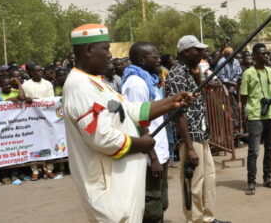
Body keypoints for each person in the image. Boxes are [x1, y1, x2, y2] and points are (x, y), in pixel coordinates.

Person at [63, 24, 194, 223]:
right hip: (109, 187)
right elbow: (101, 138)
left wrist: (172, 101)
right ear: (89, 50)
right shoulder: (79, 87)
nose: (110, 55)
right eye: (105, 48)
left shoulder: (97, 83)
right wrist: (142, 144)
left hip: (122, 184)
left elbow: (130, 111)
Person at [165, 35, 230, 223]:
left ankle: (207, 217)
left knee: (208, 177)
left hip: (201, 133)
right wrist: (190, 147)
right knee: (194, 182)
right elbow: (179, 113)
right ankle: (195, 219)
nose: (202, 53)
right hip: (190, 137)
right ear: (186, 52)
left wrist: (196, 74)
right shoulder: (176, 74)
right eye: (198, 50)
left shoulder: (190, 71)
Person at [121, 42, 170, 223]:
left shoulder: (149, 80)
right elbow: (140, 123)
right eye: (154, 56)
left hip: (160, 151)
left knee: (161, 203)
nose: (159, 60)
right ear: (142, 59)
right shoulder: (136, 84)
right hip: (149, 156)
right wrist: (154, 158)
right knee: (151, 208)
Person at [241, 43, 271, 196]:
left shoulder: (270, 71)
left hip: (270, 115)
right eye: (262, 54)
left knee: (270, 149)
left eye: (266, 53)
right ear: (254, 56)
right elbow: (243, 96)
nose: (266, 56)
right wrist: (248, 113)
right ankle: (251, 181)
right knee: (254, 151)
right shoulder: (248, 73)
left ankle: (267, 178)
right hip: (255, 116)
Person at [22, 64, 57, 180]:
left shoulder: (48, 84)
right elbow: (24, 100)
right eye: (36, 71)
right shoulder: (26, 85)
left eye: (40, 70)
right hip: (32, 118)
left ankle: (49, 169)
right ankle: (36, 170)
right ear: (31, 73)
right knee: (34, 143)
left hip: (46, 117)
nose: (40, 72)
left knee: (49, 142)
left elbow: (51, 100)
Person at [217, 47, 243, 135]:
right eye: (229, 56)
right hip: (223, 88)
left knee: (236, 109)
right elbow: (221, 77)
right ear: (225, 55)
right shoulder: (221, 62)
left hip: (233, 88)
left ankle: (235, 130)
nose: (231, 57)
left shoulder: (236, 61)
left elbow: (238, 73)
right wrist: (231, 83)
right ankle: (226, 131)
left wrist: (234, 83)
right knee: (225, 110)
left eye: (232, 55)